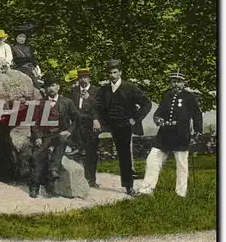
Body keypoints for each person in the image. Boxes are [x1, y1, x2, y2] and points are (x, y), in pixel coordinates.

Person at [137, 70, 203, 197]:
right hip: (164, 134)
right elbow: (159, 112)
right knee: (152, 159)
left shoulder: (190, 97)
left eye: (179, 82)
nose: (175, 84)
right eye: (173, 81)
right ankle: (146, 190)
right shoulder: (166, 95)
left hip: (181, 134)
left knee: (181, 164)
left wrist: (197, 132)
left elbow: (197, 116)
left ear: (184, 83)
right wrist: (157, 119)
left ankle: (181, 193)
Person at [94, 59, 151, 196]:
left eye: (115, 72)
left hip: (124, 126)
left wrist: (135, 119)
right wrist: (96, 120)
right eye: (110, 73)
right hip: (108, 125)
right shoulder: (104, 89)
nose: (112, 75)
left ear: (120, 72)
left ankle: (128, 186)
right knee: (90, 144)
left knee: (124, 155)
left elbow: (146, 103)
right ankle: (90, 179)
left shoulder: (130, 88)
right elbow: (96, 106)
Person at [29, 75, 80, 198]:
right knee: (37, 155)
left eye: (53, 85)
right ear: (45, 89)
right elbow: (34, 122)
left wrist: (69, 130)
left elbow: (77, 119)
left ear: (58, 87)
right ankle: (35, 186)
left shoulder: (67, 102)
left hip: (60, 133)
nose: (51, 89)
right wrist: (37, 137)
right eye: (48, 86)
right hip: (45, 135)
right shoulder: (40, 104)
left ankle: (53, 170)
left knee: (62, 141)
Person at [67, 68, 101, 188]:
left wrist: (89, 98)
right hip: (77, 124)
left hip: (91, 124)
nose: (83, 80)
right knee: (78, 151)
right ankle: (79, 180)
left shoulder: (96, 91)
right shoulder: (74, 91)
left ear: (89, 78)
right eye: (81, 77)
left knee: (91, 153)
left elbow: (100, 107)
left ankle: (91, 179)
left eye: (85, 77)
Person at [11, 23, 42, 89]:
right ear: (16, 38)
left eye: (23, 37)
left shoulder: (28, 48)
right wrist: (27, 59)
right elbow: (16, 60)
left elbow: (33, 59)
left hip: (31, 68)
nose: (22, 39)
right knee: (27, 73)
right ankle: (39, 89)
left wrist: (37, 66)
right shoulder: (13, 48)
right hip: (20, 68)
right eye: (20, 37)